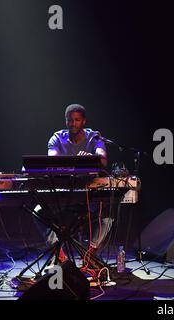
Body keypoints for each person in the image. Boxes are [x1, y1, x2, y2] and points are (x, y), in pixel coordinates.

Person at [42, 104, 112, 267]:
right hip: (62, 193)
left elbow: (102, 159)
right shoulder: (57, 137)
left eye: (77, 120)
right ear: (65, 121)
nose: (73, 123)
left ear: (84, 121)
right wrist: (78, 163)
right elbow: (52, 159)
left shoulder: (94, 137)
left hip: (89, 191)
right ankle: (59, 253)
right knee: (39, 212)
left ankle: (90, 253)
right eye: (70, 120)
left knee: (108, 216)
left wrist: (91, 158)